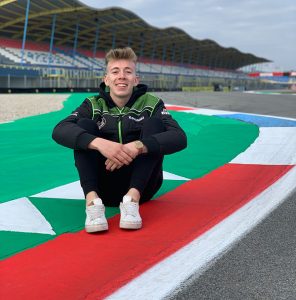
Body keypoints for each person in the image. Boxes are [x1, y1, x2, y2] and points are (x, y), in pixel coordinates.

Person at [52, 47, 187, 233]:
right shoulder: (92, 104)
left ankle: (132, 201)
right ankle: (92, 204)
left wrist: (136, 147)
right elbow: (60, 130)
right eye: (115, 71)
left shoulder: (151, 103)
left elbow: (179, 137)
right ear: (106, 79)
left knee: (155, 125)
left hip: (143, 186)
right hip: (103, 187)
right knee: (83, 125)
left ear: (136, 80)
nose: (121, 76)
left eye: (128, 71)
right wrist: (102, 144)